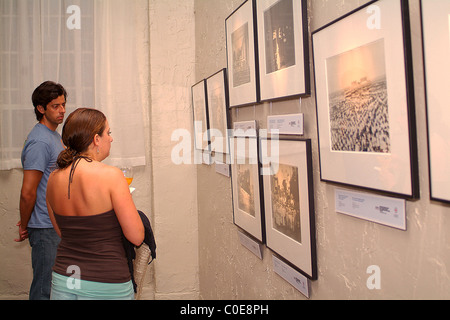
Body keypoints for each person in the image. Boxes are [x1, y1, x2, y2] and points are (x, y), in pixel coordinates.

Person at [46, 108, 144, 300]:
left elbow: (62, 232)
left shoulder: (53, 178)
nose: (111, 138)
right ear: (96, 139)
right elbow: (137, 236)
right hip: (106, 282)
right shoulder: (112, 175)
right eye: (108, 132)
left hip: (64, 278)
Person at [16, 81, 67, 300]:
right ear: (41, 108)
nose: (62, 110)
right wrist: (25, 224)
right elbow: (28, 192)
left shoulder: (54, 136)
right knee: (45, 289)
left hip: (53, 223)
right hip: (44, 226)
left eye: (63, 104)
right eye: (55, 106)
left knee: (55, 287)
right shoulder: (39, 141)